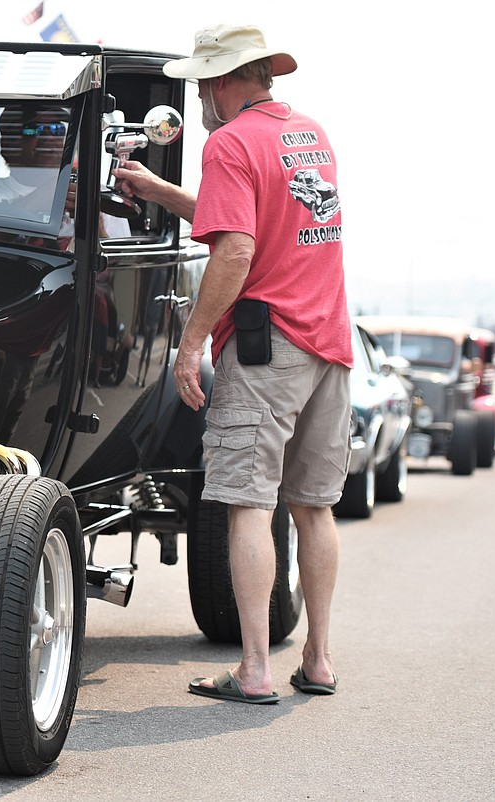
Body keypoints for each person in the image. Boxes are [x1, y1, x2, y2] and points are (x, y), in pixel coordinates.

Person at [113, 23, 351, 704]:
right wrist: (162, 192)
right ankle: (320, 660)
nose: (196, 98)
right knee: (315, 507)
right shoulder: (309, 133)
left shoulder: (229, 140)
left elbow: (237, 250)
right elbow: (253, 219)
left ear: (221, 81)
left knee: (248, 505)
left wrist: (192, 342)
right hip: (328, 341)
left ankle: (253, 671)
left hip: (264, 346)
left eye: (197, 84)